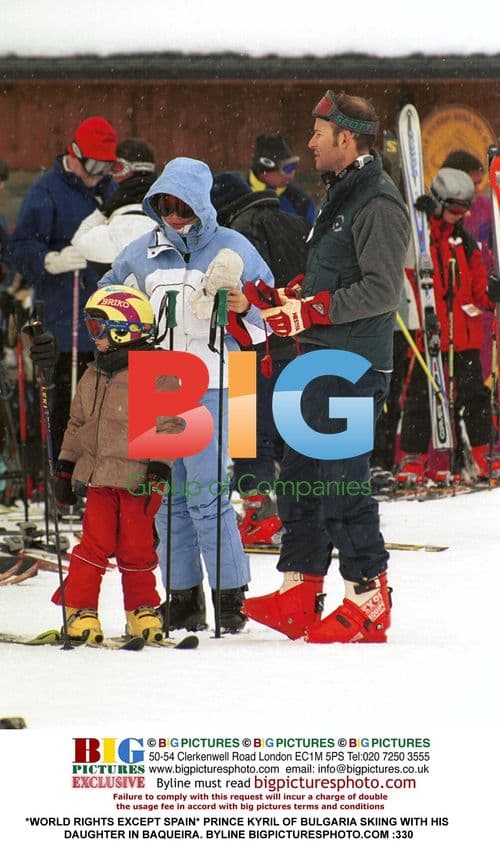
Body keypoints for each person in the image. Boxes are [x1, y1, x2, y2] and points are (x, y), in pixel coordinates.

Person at [242, 90, 410, 644]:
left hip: (353, 365)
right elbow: (335, 276)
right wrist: (292, 295)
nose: (309, 142)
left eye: (318, 133)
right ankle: (299, 590)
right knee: (300, 481)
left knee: (340, 485)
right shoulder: (340, 195)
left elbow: (384, 290)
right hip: (318, 361)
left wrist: (312, 310)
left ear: (347, 137)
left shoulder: (377, 203)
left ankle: (368, 598)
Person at [98, 156, 273, 633]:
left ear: (202, 205)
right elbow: (105, 300)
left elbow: (269, 312)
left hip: (215, 382)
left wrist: (245, 304)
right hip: (158, 386)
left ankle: (230, 595)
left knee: (207, 494)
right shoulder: (141, 252)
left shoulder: (232, 246)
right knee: (169, 496)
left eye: (184, 207)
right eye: (166, 206)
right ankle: (183, 596)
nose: (175, 217)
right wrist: (117, 334)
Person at [49, 284, 182, 644]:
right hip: (98, 481)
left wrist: (159, 468)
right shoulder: (93, 373)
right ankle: (80, 609)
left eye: (98, 328)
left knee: (138, 548)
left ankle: (141, 609)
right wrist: (65, 466)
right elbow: (77, 424)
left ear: (125, 330)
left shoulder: (157, 372)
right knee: (94, 543)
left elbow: (170, 425)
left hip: (138, 480)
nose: (95, 338)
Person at [8, 116, 118, 455]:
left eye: (107, 166)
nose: (98, 172)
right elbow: (21, 248)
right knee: (65, 407)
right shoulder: (46, 190)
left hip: (106, 322)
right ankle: (62, 475)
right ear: (74, 153)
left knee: (106, 406)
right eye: (94, 163)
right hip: (62, 320)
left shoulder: (109, 190)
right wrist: (49, 260)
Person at [211, 170, 309, 546]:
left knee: (247, 436)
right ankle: (300, 512)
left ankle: (258, 512)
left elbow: (242, 290)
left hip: (253, 344)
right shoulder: (296, 221)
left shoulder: (237, 236)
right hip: (298, 341)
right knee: (293, 435)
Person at [398, 167, 498, 481]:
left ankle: (484, 454)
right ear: (439, 203)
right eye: (455, 209)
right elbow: (406, 276)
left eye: (465, 209)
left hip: (464, 337)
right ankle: (414, 459)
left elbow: (480, 295)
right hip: (430, 336)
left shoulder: (465, 244)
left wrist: (492, 293)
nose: (461, 215)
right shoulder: (418, 241)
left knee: (474, 397)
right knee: (420, 398)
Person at [441, 150, 495, 382]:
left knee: (478, 381)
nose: (476, 192)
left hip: (480, 307)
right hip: (451, 314)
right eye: (472, 184)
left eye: (478, 184)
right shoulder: (440, 217)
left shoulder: (485, 207)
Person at [71, 137, 158, 271]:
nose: (111, 175)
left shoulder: (108, 232)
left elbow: (78, 243)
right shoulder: (169, 227)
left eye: (116, 168)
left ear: (126, 170)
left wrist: (105, 209)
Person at [248, 133, 316, 225]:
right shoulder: (238, 195)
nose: (291, 176)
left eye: (293, 166)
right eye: (287, 169)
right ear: (265, 170)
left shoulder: (300, 201)